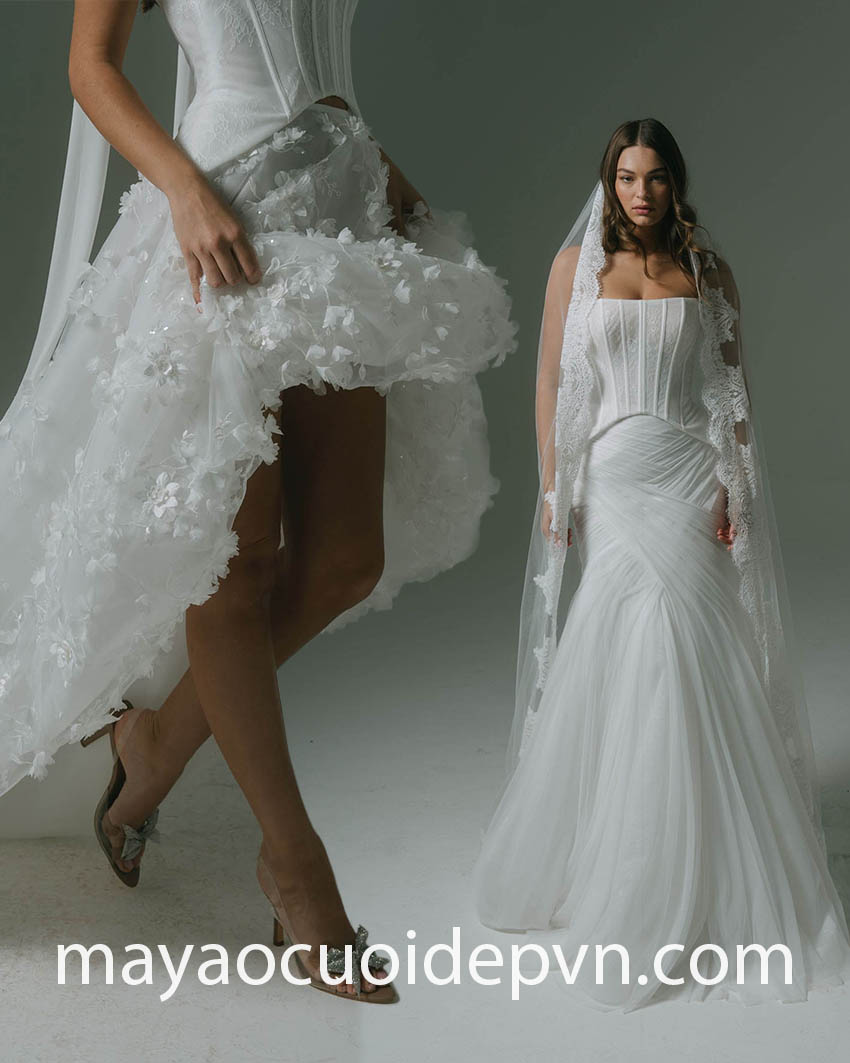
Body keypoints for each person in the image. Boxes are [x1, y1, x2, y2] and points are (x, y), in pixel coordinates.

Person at [0, 0, 517, 1004]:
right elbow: (90, 65)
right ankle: (295, 868)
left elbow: (317, 74)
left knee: (344, 558)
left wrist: (370, 159)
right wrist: (184, 189)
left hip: (342, 217)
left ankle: (151, 746)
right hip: (223, 211)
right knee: (237, 569)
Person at [472, 117, 850, 1011]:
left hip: (688, 472)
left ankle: (705, 856)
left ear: (676, 182)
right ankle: (626, 849)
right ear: (608, 183)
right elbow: (551, 382)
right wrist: (555, 482)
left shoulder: (707, 271)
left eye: (655, 178)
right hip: (614, 475)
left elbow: (733, 389)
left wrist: (735, 486)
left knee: (691, 645)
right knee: (627, 641)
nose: (640, 193)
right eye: (625, 177)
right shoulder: (577, 269)